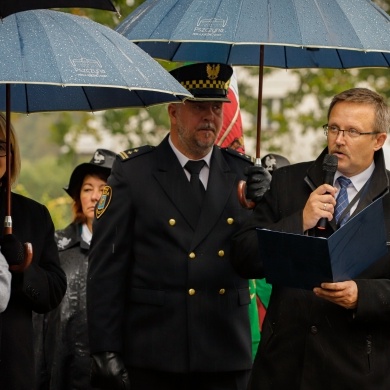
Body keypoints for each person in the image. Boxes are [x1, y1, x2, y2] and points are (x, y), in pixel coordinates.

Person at [87, 62, 271, 390]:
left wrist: (268, 204)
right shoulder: (134, 174)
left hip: (225, 352)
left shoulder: (244, 175)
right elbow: (106, 270)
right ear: (174, 112)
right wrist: (105, 347)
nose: (210, 117)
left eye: (217, 108)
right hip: (156, 353)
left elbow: (258, 259)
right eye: (199, 107)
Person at [231, 87, 390, 390]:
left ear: (378, 140)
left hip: (358, 370)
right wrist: (298, 221)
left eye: (353, 131)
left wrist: (363, 296)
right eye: (333, 128)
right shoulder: (287, 183)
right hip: (285, 367)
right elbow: (243, 256)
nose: (339, 139)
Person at [34, 149, 115, 390]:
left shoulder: (132, 249)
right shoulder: (56, 247)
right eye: (87, 189)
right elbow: (40, 325)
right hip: (65, 374)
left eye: (103, 189)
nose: (94, 197)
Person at [0, 113, 67, 390]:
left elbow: (52, 291)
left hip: (10, 365)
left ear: (12, 154)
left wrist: (23, 266)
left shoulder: (32, 215)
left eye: (0, 147)